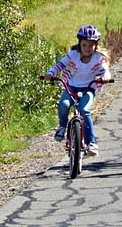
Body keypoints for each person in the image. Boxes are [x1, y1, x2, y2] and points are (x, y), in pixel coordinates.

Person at [41, 25, 113, 156]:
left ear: (96, 46)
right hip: (71, 86)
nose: (87, 49)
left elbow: (105, 70)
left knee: (84, 111)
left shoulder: (98, 58)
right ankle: (62, 127)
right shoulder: (73, 55)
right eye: (84, 45)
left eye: (91, 45)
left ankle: (91, 143)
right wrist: (50, 73)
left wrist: (105, 78)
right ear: (79, 44)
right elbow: (60, 65)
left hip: (88, 88)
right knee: (64, 105)